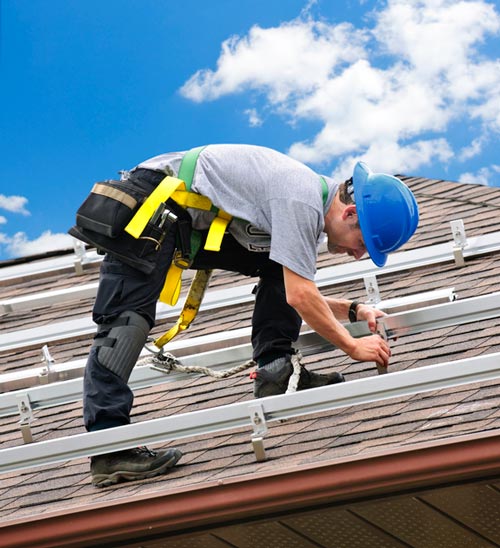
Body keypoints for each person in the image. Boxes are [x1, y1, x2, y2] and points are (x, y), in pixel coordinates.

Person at [70, 144, 419, 487]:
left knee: (278, 264)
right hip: (154, 204)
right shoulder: (301, 198)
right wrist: (353, 346)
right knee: (125, 325)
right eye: (364, 244)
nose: (358, 255)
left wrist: (353, 310)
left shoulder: (305, 205)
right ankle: (108, 448)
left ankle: (276, 371)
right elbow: (300, 295)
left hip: (186, 220)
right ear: (350, 214)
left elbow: (294, 286)